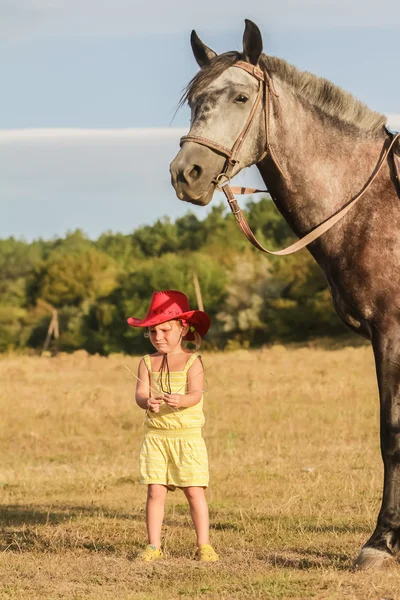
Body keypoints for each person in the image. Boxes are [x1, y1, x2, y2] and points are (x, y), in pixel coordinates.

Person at [128, 290, 219, 562]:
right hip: (156, 437)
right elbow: (140, 395)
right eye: (153, 332)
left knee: (193, 490)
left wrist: (182, 400)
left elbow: (196, 394)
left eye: (165, 330)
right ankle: (153, 546)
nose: (159, 337)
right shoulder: (146, 362)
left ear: (183, 328)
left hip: (187, 438)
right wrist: (148, 403)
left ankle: (203, 544)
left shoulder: (193, 361)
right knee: (155, 490)